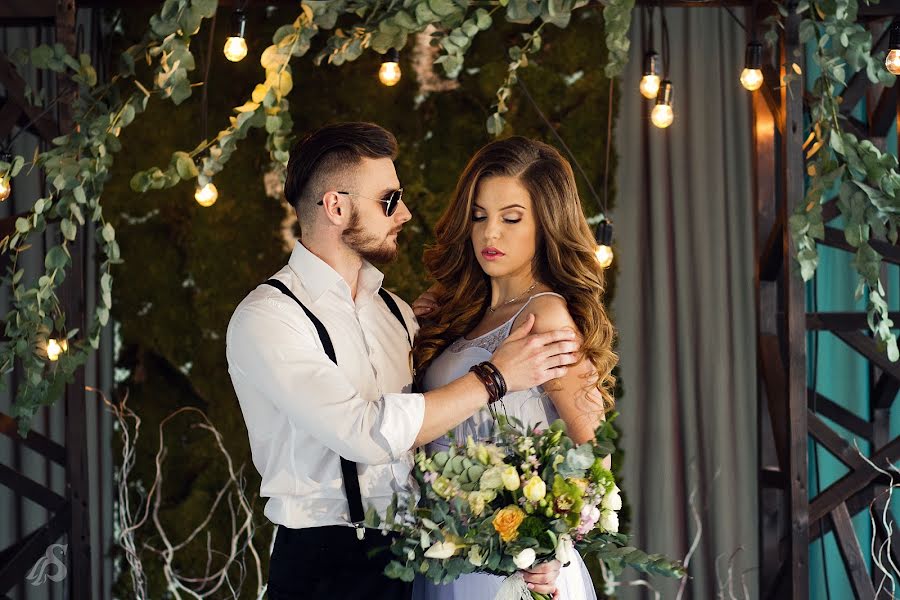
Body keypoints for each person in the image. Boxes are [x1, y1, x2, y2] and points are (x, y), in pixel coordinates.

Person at [226, 123, 578, 599]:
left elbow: (447, 428)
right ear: (337, 206)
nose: (405, 213)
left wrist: (536, 543)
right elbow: (364, 432)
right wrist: (495, 376)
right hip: (323, 565)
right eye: (389, 200)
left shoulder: (396, 313)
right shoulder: (268, 318)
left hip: (415, 563)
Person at [410, 137, 618, 600]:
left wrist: (552, 546)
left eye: (511, 218)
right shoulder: (463, 312)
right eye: (480, 216)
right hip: (446, 554)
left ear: (546, 223)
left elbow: (596, 450)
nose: (490, 234)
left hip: (511, 569)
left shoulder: (545, 316)